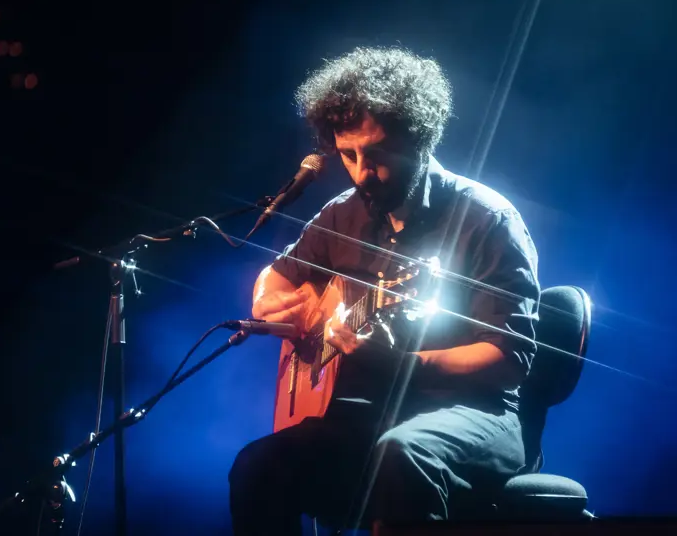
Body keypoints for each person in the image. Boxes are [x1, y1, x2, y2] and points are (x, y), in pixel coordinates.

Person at [228, 46, 541, 533]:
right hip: (371, 412)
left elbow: (510, 361)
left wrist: (406, 365)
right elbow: (277, 275)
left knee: (401, 453)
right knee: (257, 466)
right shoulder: (342, 213)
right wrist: (273, 303)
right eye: (348, 156)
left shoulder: (487, 220)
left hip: (474, 413)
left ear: (418, 139)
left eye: (376, 156)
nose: (360, 173)